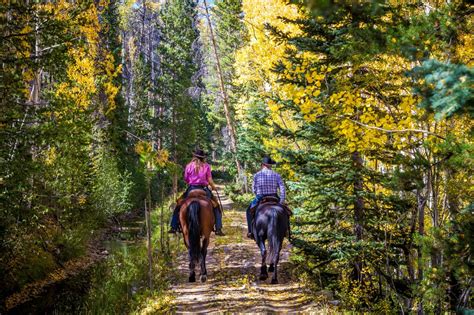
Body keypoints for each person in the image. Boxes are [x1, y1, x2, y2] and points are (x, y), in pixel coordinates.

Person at [168, 149, 225, 236]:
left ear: (194, 156)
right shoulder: (206, 166)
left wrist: (193, 180)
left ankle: (174, 226)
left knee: (179, 205)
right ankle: (218, 228)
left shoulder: (189, 166)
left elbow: (186, 179)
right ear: (203, 158)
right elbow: (209, 180)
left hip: (191, 189)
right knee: (216, 206)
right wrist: (214, 187)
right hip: (203, 189)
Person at [246, 156, 286, 239]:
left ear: (262, 165)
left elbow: (254, 189)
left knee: (249, 211)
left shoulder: (257, 175)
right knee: (285, 211)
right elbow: (282, 187)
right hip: (274, 196)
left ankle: (250, 231)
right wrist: (282, 200)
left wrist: (258, 194)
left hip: (261, 197)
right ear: (270, 165)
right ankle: (286, 230)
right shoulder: (276, 175)